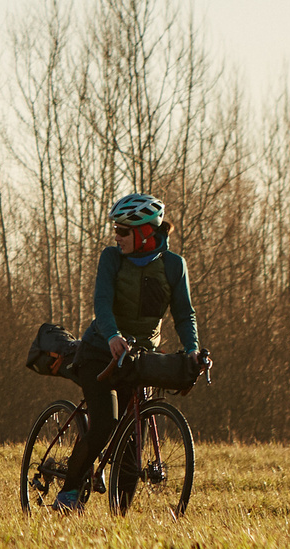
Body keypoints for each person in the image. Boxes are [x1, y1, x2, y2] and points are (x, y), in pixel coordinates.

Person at [55, 193, 213, 511]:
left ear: (144, 232)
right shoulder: (111, 258)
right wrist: (113, 335)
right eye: (116, 229)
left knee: (131, 440)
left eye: (123, 231)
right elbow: (102, 303)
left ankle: (120, 517)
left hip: (138, 357)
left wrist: (192, 350)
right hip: (100, 352)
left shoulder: (174, 266)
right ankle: (68, 493)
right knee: (105, 422)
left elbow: (184, 314)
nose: (117, 236)